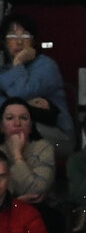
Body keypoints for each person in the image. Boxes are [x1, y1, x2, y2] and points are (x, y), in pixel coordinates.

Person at [0, 15, 72, 159]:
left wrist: (19, 62)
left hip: (56, 137)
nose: (19, 41)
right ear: (4, 42)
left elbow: (19, 93)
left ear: (33, 41)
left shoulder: (46, 65)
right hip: (17, 131)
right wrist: (25, 104)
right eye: (13, 35)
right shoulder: (3, 71)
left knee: (15, 130)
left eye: (25, 35)